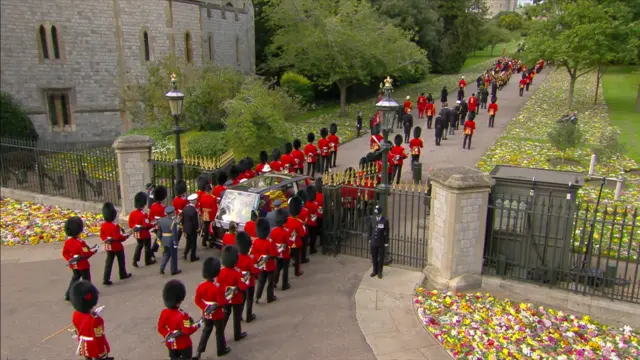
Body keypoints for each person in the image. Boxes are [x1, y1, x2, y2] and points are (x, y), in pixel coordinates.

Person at [194, 257, 231, 359]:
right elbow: (222, 301)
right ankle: (221, 350)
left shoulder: (201, 286)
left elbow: (197, 300)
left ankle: (199, 351)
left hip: (206, 313)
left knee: (206, 331)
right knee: (219, 332)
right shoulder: (217, 287)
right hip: (217, 314)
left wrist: (205, 307)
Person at [158, 279, 202, 359]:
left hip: (171, 344)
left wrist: (168, 334)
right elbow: (188, 330)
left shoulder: (164, 312)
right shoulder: (183, 315)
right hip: (184, 345)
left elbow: (161, 328)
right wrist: (198, 325)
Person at [69, 281, 112, 359]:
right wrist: (102, 353)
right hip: (94, 347)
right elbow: (98, 338)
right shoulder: (96, 320)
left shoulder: (76, 314)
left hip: (84, 345)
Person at [63, 216, 98, 301]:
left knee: (75, 278)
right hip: (83, 265)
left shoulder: (68, 242)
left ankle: (68, 294)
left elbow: (65, 253)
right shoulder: (81, 243)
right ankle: (89, 293)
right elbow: (86, 253)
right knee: (86, 279)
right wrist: (93, 251)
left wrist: (70, 259)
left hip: (74, 265)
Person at [217, 246, 247, 341]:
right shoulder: (237, 272)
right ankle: (237, 335)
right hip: (236, 298)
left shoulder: (220, 272)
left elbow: (218, 286)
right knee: (236, 317)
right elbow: (243, 286)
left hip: (225, 298)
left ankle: (220, 332)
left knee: (225, 315)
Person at [100, 202, 131, 286]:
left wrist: (106, 240)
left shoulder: (103, 225)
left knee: (109, 262)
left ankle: (106, 278)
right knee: (121, 261)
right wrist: (125, 237)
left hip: (109, 247)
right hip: (117, 247)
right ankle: (123, 274)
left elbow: (102, 236)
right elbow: (118, 237)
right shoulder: (115, 226)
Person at [251, 218, 279, 304]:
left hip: (261, 265)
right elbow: (274, 254)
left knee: (261, 282)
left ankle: (257, 297)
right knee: (270, 282)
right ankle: (270, 297)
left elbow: (253, 253)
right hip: (270, 265)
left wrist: (260, 258)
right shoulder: (269, 242)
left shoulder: (256, 241)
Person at [234, 232, 259, 322]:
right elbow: (255, 271)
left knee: (242, 299)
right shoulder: (251, 258)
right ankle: (249, 316)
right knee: (249, 299)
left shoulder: (236, 257)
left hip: (240, 281)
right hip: (250, 282)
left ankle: (239, 315)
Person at [129, 192, 155, 268]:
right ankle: (148, 260)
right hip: (144, 234)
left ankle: (135, 260)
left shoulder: (132, 213)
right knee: (147, 247)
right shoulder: (143, 214)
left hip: (137, 234)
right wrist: (152, 224)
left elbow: (130, 224)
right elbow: (146, 225)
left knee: (139, 246)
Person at [271, 208, 293, 290]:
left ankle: (274, 282)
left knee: (277, 268)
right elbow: (290, 243)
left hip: (277, 252)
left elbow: (272, 242)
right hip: (285, 253)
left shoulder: (273, 231)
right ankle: (284, 284)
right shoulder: (286, 231)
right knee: (285, 269)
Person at [284, 196, 305, 277]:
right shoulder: (299, 222)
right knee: (297, 258)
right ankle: (297, 272)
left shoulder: (287, 220)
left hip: (288, 243)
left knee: (289, 257)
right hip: (296, 243)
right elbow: (302, 233)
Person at [158, 206, 182, 276]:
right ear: (171, 213)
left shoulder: (161, 220)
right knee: (174, 256)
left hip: (164, 240)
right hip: (171, 240)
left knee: (166, 254)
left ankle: (162, 268)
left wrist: (160, 240)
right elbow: (174, 233)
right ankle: (174, 270)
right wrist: (175, 243)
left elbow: (159, 232)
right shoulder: (172, 222)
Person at [367, 205, 389, 279]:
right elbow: (370, 229)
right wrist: (369, 238)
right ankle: (374, 271)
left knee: (381, 258)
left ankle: (380, 272)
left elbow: (386, 232)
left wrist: (386, 242)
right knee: (374, 257)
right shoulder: (372, 218)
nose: (376, 215)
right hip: (373, 241)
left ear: (380, 213)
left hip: (381, 242)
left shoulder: (385, 220)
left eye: (377, 213)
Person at [149, 185, 168, 257]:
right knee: (162, 239)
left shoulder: (153, 205)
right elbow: (165, 217)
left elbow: (150, 216)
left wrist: (153, 222)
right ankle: (162, 252)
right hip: (161, 225)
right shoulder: (163, 207)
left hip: (155, 225)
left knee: (158, 238)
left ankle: (153, 251)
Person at [182, 194, 200, 262]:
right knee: (193, 243)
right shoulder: (194, 210)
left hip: (186, 228)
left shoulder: (185, 208)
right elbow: (195, 222)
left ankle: (185, 253)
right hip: (192, 229)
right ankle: (193, 256)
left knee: (188, 242)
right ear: (194, 201)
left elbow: (182, 219)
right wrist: (197, 229)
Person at [199, 182, 217, 249]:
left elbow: (200, 207)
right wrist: (214, 217)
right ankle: (211, 242)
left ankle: (204, 241)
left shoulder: (202, 197)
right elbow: (214, 209)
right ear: (210, 190)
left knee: (206, 228)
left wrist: (202, 213)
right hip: (210, 214)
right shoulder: (213, 198)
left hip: (204, 214)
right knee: (211, 229)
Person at [304, 185, 320, 254]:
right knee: (313, 236)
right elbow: (319, 214)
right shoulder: (315, 204)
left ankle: (307, 246)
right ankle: (312, 249)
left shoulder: (305, 203)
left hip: (307, 221)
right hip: (313, 222)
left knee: (307, 236)